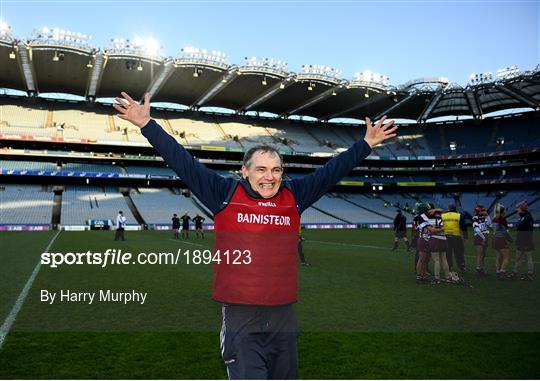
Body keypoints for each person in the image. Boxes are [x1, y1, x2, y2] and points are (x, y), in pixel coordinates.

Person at [113, 91, 397, 380]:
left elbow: (330, 172)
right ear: (244, 172)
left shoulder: (294, 196)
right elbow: (182, 162)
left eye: (276, 170)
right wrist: (148, 125)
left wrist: (366, 144)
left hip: (283, 315)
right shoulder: (223, 193)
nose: (269, 176)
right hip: (241, 316)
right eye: (261, 169)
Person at [426, 205, 450, 284]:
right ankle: (447, 278)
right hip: (443, 238)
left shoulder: (428, 218)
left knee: (436, 260)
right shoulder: (442, 216)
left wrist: (440, 229)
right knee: (444, 259)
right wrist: (442, 229)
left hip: (435, 239)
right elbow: (442, 210)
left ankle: (437, 279)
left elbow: (432, 231)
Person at [511, 200, 534, 281]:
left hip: (525, 241)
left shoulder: (527, 217)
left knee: (527, 258)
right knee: (519, 258)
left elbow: (523, 228)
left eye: (518, 208)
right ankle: (515, 272)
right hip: (522, 240)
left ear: (521, 209)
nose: (517, 209)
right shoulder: (524, 216)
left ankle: (529, 275)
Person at [442, 204, 467, 271]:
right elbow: (464, 227)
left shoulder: (443, 215)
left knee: (448, 253)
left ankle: (449, 266)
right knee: (459, 252)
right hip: (456, 236)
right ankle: (461, 266)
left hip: (446, 236)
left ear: (448, 208)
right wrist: (465, 237)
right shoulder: (458, 215)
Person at [492, 203, 513, 280]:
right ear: (502, 212)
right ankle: (502, 273)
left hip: (494, 239)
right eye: (505, 211)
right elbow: (504, 232)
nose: (506, 212)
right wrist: (510, 239)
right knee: (506, 257)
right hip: (500, 239)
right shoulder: (502, 219)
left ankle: (498, 272)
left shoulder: (494, 218)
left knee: (498, 257)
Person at [472, 205, 491, 277]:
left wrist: (487, 215)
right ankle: (478, 269)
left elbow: (489, 224)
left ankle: (482, 269)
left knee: (483, 254)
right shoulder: (475, 218)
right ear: (478, 211)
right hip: (479, 236)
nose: (483, 212)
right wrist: (483, 237)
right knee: (480, 253)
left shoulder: (484, 217)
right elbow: (476, 229)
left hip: (484, 235)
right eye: (482, 211)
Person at [414, 203, 431, 284]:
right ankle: (418, 276)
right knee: (421, 259)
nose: (429, 210)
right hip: (424, 239)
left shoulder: (420, 216)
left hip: (425, 239)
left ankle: (423, 276)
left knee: (424, 260)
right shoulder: (422, 216)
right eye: (428, 209)